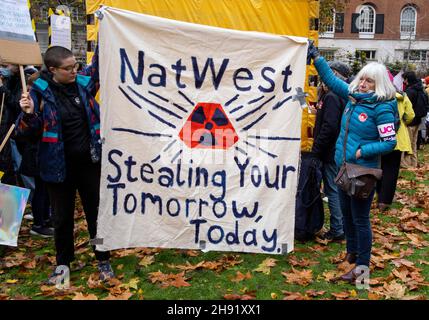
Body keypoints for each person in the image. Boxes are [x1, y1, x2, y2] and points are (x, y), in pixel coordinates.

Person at [17, 46, 114, 283]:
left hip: (89, 164)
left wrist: (104, 29)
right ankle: (63, 263)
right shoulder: (38, 93)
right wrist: (28, 114)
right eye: (68, 68)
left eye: (75, 66)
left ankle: (102, 257)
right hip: (57, 167)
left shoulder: (82, 84)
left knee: (96, 216)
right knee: (61, 219)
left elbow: (98, 68)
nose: (74, 71)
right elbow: (25, 133)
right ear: (53, 70)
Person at [308, 42, 397, 282]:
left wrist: (361, 151)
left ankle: (362, 269)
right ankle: (352, 253)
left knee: (360, 219)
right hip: (344, 168)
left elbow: (389, 142)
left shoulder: (382, 108)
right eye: (362, 79)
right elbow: (332, 79)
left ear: (378, 85)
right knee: (347, 215)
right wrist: (316, 57)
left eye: (369, 81)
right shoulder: (354, 96)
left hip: (362, 171)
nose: (364, 84)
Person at [311, 61, 350, 242]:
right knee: (334, 189)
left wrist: (317, 149)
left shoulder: (333, 96)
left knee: (332, 190)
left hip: (330, 151)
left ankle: (338, 229)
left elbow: (330, 127)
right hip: (334, 149)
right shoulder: (337, 95)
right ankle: (340, 226)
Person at [376, 91, 414, 211]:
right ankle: (385, 200)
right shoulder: (402, 96)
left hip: (379, 136)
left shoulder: (377, 94)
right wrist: (403, 122)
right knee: (391, 170)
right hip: (397, 137)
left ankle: (378, 195)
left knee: (379, 167)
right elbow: (410, 115)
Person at [401, 71, 427, 167]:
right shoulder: (420, 88)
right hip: (418, 120)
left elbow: (406, 107)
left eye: (404, 79)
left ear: (407, 79)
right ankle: (414, 162)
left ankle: (406, 164)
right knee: (413, 143)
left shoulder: (410, 91)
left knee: (407, 143)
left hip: (410, 121)